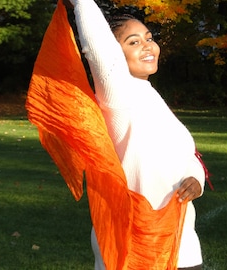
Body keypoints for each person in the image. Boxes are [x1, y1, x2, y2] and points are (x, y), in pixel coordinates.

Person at [67, 0, 206, 269]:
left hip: (181, 244)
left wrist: (196, 179)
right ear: (115, 55)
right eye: (133, 42)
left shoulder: (150, 94)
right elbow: (99, 51)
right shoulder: (118, 94)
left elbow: (186, 155)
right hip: (134, 246)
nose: (147, 46)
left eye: (149, 38)